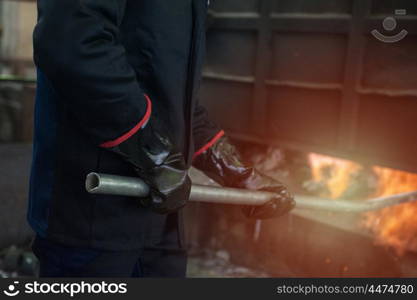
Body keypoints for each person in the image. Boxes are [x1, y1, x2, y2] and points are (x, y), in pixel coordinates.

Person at [28, 0, 295, 278]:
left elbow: (173, 99)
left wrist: (234, 170)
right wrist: (153, 152)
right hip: (93, 215)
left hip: (161, 221)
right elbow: (72, 44)